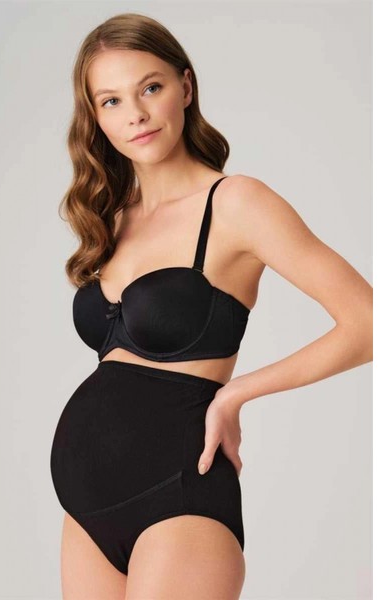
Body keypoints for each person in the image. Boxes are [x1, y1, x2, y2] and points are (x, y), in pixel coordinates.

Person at [49, 12, 373, 600]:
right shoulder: (113, 219)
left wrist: (236, 392)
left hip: (178, 495)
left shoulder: (237, 203)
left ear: (186, 86)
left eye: (150, 87)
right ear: (95, 117)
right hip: (86, 504)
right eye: (111, 101)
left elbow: (370, 323)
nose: (136, 114)